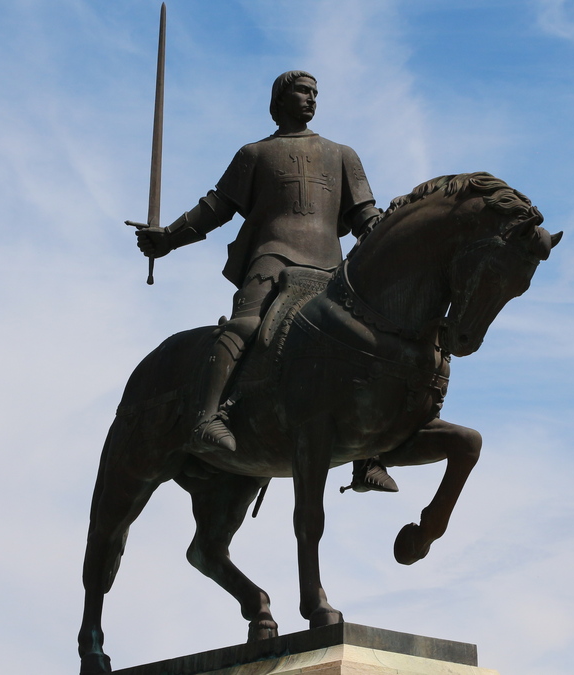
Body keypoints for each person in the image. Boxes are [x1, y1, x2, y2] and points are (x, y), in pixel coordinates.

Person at [135, 70, 397, 492]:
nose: (311, 98)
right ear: (279, 99)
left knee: (370, 342)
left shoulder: (343, 154)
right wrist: (168, 239)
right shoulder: (254, 154)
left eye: (316, 92)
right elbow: (215, 208)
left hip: (333, 269)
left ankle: (368, 459)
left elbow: (366, 216)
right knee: (246, 324)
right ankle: (207, 416)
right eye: (302, 90)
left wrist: (394, 234)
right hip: (272, 257)